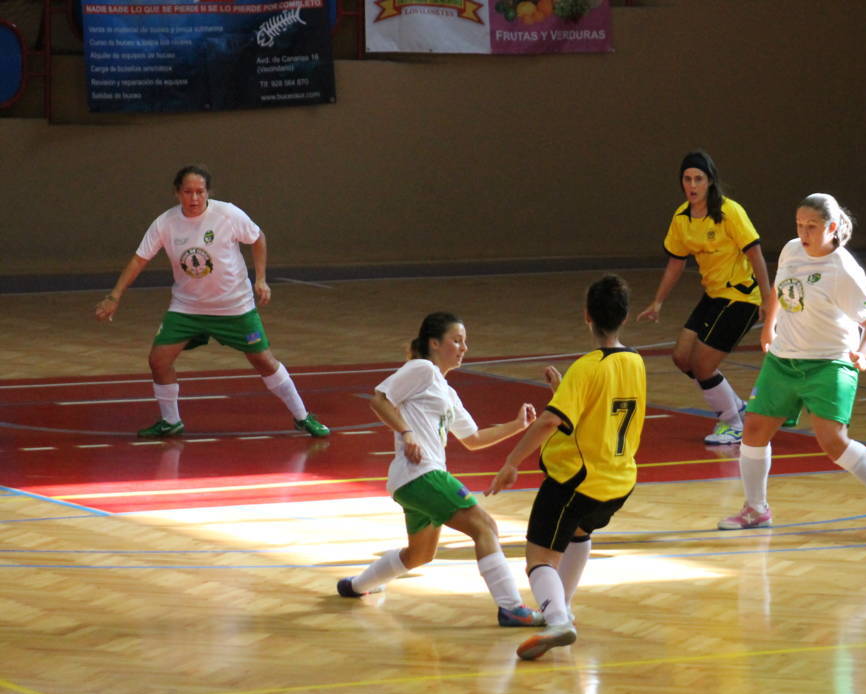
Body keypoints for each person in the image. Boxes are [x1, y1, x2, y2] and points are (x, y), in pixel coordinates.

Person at [719, 193, 866, 535]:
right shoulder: (791, 250)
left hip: (829, 363)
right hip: (784, 359)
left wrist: (863, 353)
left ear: (833, 227)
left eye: (812, 226)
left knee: (832, 440)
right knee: (754, 430)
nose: (804, 232)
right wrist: (768, 327)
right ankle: (755, 509)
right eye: (799, 225)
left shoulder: (843, 270)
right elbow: (779, 290)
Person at [337, 311, 545, 628]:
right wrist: (407, 433)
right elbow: (379, 399)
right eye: (456, 341)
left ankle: (356, 586)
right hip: (422, 474)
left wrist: (517, 425)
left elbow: (473, 439)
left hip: (411, 481)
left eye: (465, 342)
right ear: (434, 343)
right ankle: (511, 608)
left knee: (420, 554)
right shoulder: (421, 369)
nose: (463, 348)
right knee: (485, 527)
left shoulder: (447, 392)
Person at [93, 165, 329, 439]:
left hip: (234, 307)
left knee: (263, 360)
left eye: (200, 192)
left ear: (208, 192)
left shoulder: (227, 214)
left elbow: (258, 238)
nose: (194, 198)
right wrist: (114, 296)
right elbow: (139, 260)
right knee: (158, 360)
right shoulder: (165, 223)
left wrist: (261, 279)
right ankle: (171, 421)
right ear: (177, 193)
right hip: (187, 307)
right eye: (188, 192)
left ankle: (302, 416)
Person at [487, 274, 647, 660]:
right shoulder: (636, 361)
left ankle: (557, 620)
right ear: (624, 317)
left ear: (587, 315)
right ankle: (563, 608)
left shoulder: (587, 367)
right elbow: (599, 410)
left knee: (539, 557)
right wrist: (563, 391)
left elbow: (549, 421)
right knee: (578, 533)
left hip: (575, 481)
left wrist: (511, 462)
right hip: (618, 481)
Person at [637, 150, 773, 446]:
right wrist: (658, 301)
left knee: (703, 365)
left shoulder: (729, 212)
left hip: (740, 298)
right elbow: (676, 262)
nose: (692, 185)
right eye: (687, 179)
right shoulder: (682, 217)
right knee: (682, 358)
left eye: (698, 179)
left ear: (710, 181)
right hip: (713, 296)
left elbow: (756, 254)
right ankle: (736, 408)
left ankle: (733, 423)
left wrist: (767, 299)